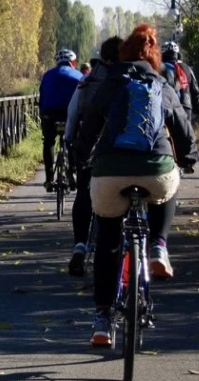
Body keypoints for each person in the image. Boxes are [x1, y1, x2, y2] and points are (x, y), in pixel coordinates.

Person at [73, 24, 198, 347]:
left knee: (108, 239)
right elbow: (182, 129)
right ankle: (158, 244)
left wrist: (81, 159)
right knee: (168, 183)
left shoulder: (111, 81)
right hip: (155, 167)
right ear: (154, 57)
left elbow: (89, 126)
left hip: (110, 170)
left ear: (123, 54)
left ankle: (102, 319)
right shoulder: (160, 82)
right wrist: (188, 158)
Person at [63, 36, 123, 276]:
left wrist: (70, 140)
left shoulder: (87, 80)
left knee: (84, 193)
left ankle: (80, 244)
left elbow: (73, 112)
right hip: (120, 150)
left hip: (89, 147)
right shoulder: (128, 80)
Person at [38, 48, 83, 191]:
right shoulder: (80, 76)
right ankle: (72, 174)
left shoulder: (47, 75)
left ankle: (49, 179)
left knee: (49, 141)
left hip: (50, 114)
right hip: (70, 115)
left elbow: (42, 97)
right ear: (73, 62)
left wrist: (42, 114)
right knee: (73, 141)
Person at [161, 41, 199, 121]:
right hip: (186, 107)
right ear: (177, 54)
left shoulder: (159, 68)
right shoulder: (187, 68)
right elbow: (195, 90)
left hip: (167, 108)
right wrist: (197, 108)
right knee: (186, 132)